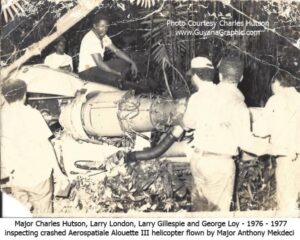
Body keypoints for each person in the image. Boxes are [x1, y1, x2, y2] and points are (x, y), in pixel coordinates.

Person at [183, 56, 270, 211]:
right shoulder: (237, 105)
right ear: (241, 78)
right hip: (219, 165)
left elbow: (188, 123)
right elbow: (246, 143)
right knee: (218, 216)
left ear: (220, 75)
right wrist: (271, 145)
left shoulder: (200, 95)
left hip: (198, 160)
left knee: (200, 211)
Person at [0, 80, 68, 215]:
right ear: (24, 95)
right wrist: (59, 173)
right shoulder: (31, 114)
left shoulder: (2, 116)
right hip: (37, 176)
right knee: (44, 213)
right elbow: (46, 146)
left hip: (15, 178)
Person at [253, 72, 300, 212]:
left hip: (287, 157)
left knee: (287, 203)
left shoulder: (276, 100)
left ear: (278, 83)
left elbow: (261, 129)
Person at [78, 13, 138, 88]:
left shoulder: (103, 36)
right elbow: (99, 63)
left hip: (98, 69)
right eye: (102, 26)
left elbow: (117, 51)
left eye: (106, 27)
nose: (105, 29)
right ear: (95, 26)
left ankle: (122, 81)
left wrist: (132, 62)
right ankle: (119, 83)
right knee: (114, 78)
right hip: (87, 72)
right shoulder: (90, 38)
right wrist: (115, 72)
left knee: (126, 62)